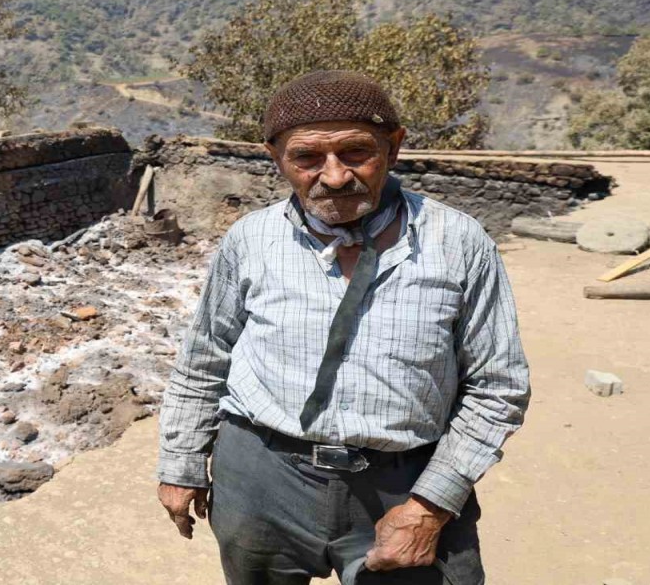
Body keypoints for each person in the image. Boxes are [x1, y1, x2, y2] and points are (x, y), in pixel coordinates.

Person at [156, 70, 530, 584]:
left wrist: (432, 505)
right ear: (275, 158)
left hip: (405, 481)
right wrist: (181, 462)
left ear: (393, 147)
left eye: (356, 152)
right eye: (307, 158)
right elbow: (205, 357)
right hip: (261, 477)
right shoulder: (250, 239)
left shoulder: (459, 243)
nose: (334, 176)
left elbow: (498, 387)